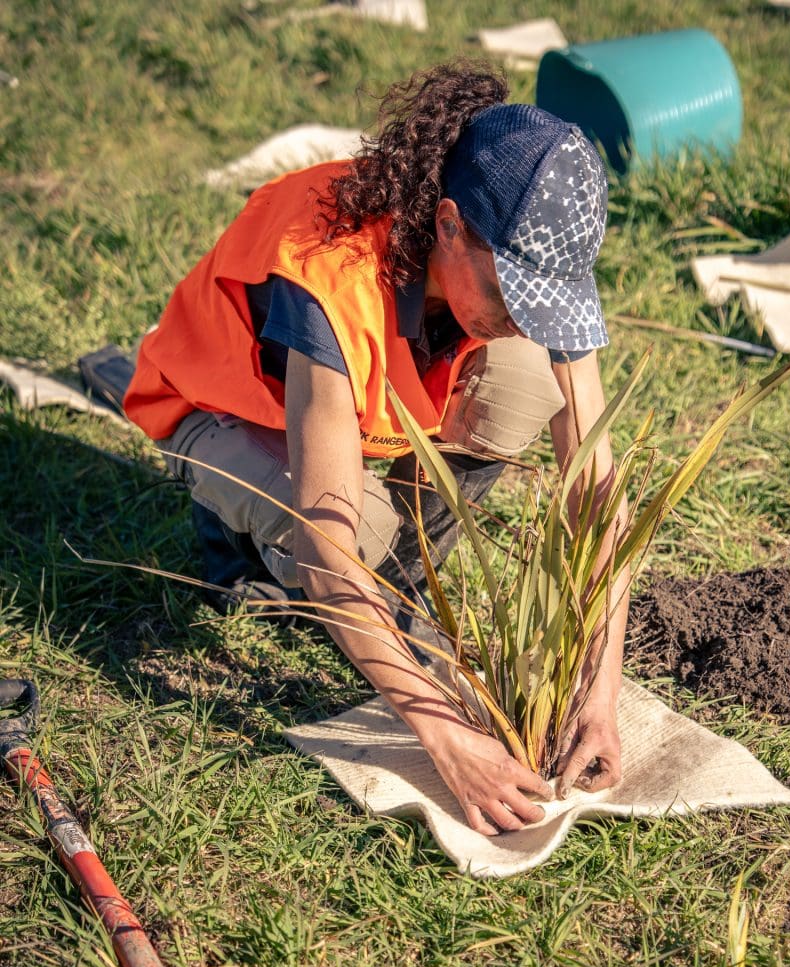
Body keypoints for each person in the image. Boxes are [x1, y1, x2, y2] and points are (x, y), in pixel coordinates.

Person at [123, 62, 630, 837]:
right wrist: (446, 737)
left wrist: (600, 688)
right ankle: (238, 549)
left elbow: (597, 494)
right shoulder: (330, 274)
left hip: (358, 408)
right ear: (449, 225)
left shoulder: (522, 272)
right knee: (353, 541)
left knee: (525, 385)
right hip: (220, 406)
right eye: (511, 297)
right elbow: (329, 552)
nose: (529, 324)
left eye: (546, 305)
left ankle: (394, 588)